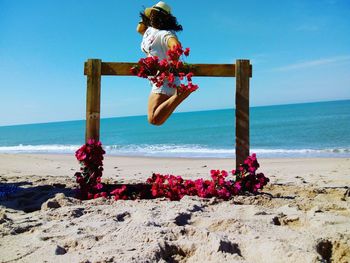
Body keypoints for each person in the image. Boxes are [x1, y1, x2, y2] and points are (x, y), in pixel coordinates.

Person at [136, 1, 193, 126]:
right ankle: (180, 94)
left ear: (164, 19)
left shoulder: (165, 34)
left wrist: (172, 63)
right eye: (152, 15)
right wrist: (146, 14)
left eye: (156, 15)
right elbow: (139, 28)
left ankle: (180, 95)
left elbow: (176, 46)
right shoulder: (149, 31)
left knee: (154, 120)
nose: (153, 17)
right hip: (156, 79)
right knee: (154, 119)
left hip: (166, 79)